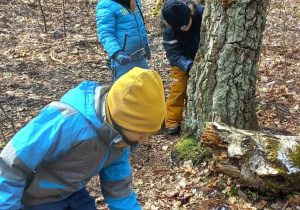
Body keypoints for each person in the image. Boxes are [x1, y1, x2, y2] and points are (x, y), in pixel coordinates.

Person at [0, 67, 166, 210]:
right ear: (119, 120)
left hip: (73, 193)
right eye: (141, 132)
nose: (145, 139)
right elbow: (10, 164)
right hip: (37, 199)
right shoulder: (67, 123)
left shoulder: (119, 140)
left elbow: (118, 188)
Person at [161, 0, 204, 135]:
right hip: (181, 63)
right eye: (180, 28)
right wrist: (187, 65)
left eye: (186, 25)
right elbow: (173, 55)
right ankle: (172, 121)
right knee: (177, 90)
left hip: (203, 59)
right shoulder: (170, 31)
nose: (184, 29)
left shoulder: (202, 15)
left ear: (190, 13)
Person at [96, 0, 151, 81]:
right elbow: (106, 33)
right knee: (124, 89)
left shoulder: (135, 2)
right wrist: (116, 53)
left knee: (145, 86)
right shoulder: (106, 4)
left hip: (140, 56)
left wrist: (146, 44)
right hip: (122, 59)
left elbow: (140, 24)